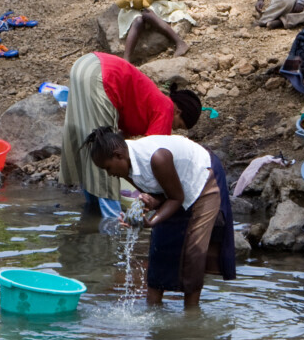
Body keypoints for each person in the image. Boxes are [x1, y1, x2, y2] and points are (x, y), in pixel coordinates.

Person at [85, 127, 233, 308]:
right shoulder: (127, 166)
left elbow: (176, 198)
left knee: (193, 250)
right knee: (160, 245)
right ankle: (153, 307)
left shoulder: (157, 158)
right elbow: (158, 196)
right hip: (176, 191)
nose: (109, 174)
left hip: (201, 179)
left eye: (107, 168)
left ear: (118, 156)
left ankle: (191, 314)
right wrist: (137, 214)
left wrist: (151, 222)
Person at [61, 52, 201, 217]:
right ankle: (112, 224)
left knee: (89, 143)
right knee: (104, 153)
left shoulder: (149, 101)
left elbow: (122, 143)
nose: (172, 130)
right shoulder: (166, 108)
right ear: (178, 111)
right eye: (178, 125)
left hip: (84, 65)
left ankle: (92, 210)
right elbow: (152, 160)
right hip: (102, 75)